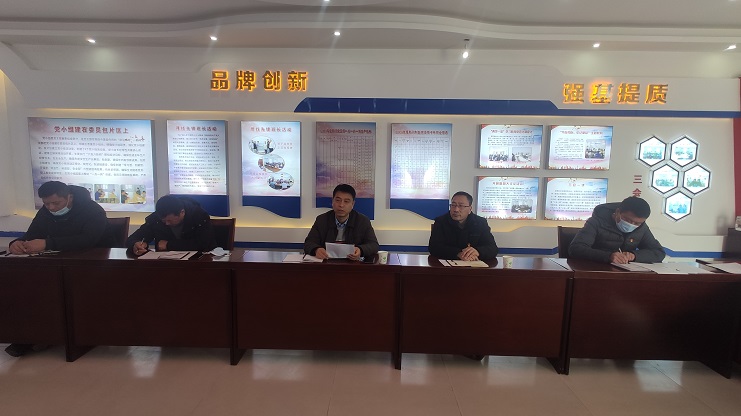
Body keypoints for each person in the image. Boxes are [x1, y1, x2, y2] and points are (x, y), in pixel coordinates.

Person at [6, 181, 113, 357]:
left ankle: (54, 335)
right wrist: (16, 243)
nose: (51, 208)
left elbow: (88, 240)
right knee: (27, 287)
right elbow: (31, 235)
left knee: (60, 290)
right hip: (55, 265)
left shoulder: (93, 210)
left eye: (56, 203)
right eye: (46, 203)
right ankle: (29, 335)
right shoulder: (45, 212)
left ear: (69, 197)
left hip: (91, 266)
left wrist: (47, 243)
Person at [569, 196, 665, 264]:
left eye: (637, 223)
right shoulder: (596, 221)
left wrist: (634, 255)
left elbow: (658, 252)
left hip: (624, 273)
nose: (632, 225)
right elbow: (576, 249)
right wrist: (609, 256)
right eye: (627, 220)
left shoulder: (642, 227)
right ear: (618, 212)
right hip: (594, 270)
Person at [304, 184, 379, 261]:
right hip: (327, 263)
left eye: (346, 201)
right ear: (332, 201)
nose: (341, 205)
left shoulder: (362, 221)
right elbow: (309, 243)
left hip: (352, 264)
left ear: (352, 204)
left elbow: (374, 245)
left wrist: (360, 250)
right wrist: (316, 249)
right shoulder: (322, 220)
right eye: (338, 200)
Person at [126, 195, 216, 255]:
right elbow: (132, 238)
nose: (167, 223)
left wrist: (169, 245)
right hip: (166, 264)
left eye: (169, 220)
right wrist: (135, 244)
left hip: (197, 262)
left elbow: (203, 243)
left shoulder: (199, 216)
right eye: (164, 221)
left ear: (182, 212)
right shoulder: (156, 218)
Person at [429, 191, 499, 261]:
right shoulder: (441, 221)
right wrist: (458, 253)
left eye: (461, 206)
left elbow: (493, 248)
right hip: (449, 264)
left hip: (474, 264)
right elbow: (434, 248)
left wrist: (478, 252)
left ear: (470, 209)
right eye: (453, 205)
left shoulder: (480, 222)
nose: (456, 210)